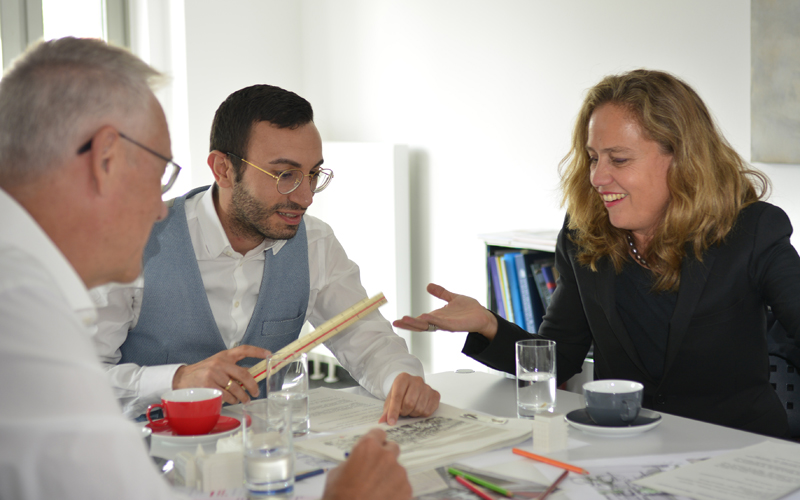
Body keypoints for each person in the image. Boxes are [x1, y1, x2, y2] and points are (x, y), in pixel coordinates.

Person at [0, 37, 411, 500]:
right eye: (157, 176)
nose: (161, 210)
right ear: (105, 160)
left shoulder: (28, 290)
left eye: (313, 174)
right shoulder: (23, 316)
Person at [395, 69, 800, 438]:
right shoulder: (584, 234)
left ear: (682, 159)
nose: (597, 177)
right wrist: (488, 325)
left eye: (618, 159)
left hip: (739, 451)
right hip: (623, 445)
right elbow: (560, 357)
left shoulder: (752, 230)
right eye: (593, 158)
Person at [89, 84, 439, 425]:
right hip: (147, 450)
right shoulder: (133, 240)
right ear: (223, 169)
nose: (305, 197)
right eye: (284, 174)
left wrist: (400, 378)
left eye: (313, 174)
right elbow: (79, 379)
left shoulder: (315, 243)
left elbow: (365, 340)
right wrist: (177, 380)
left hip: (266, 451)